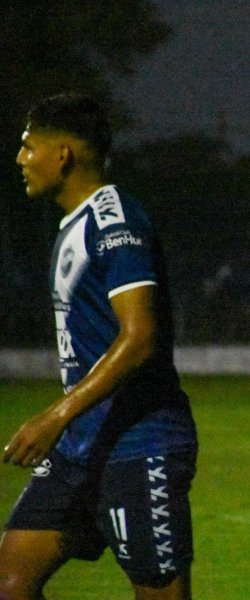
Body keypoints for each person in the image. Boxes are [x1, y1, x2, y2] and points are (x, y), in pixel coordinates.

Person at [0, 93, 197, 600]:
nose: (20, 158)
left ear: (61, 154)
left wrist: (54, 416)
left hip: (139, 441)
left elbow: (139, 338)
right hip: (79, 450)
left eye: (28, 147)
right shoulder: (74, 224)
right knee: (10, 582)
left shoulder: (114, 221)